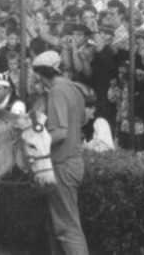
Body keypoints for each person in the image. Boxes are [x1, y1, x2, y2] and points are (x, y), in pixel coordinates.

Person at [33, 50, 89, 255]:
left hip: (62, 163)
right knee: (57, 225)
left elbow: (60, 133)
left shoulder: (56, 91)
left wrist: (36, 143)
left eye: (38, 75)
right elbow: (81, 120)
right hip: (73, 161)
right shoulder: (73, 88)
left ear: (42, 74)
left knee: (67, 227)